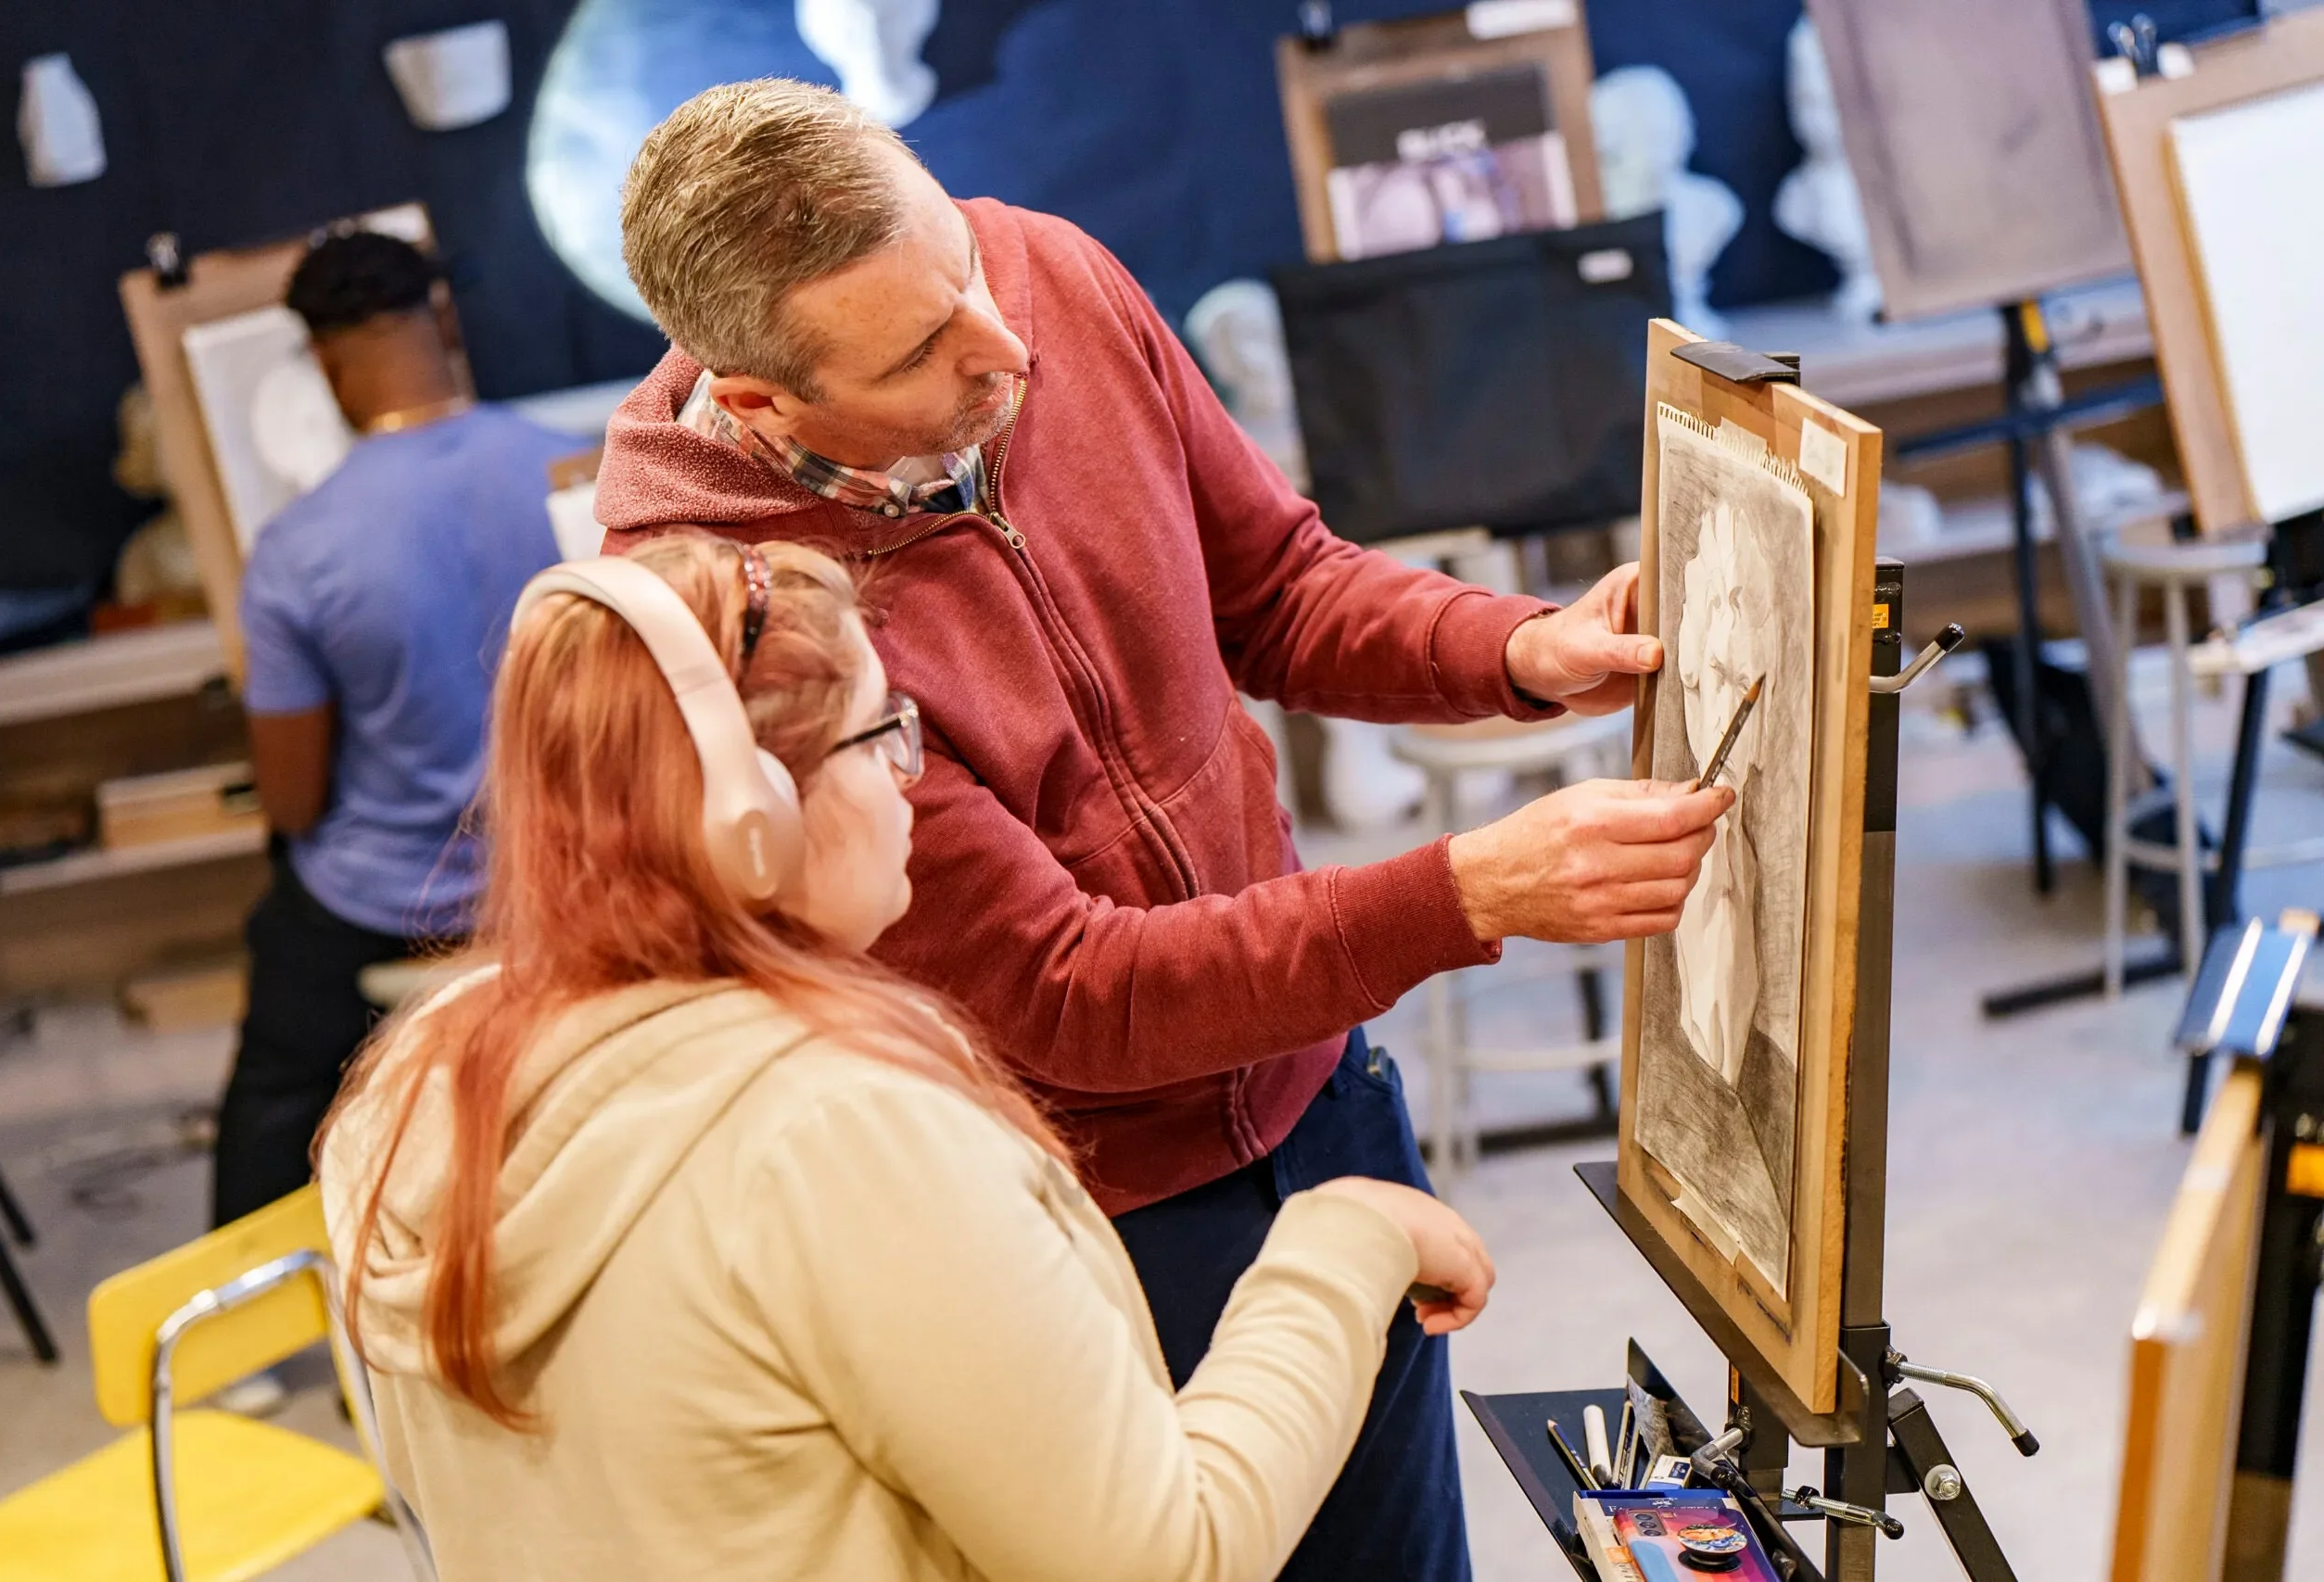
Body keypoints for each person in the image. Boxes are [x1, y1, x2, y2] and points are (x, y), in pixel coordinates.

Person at [597, 81, 1732, 1577]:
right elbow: (1075, 989)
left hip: (1318, 1089)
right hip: (1094, 1209)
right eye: (923, 351)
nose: (1005, 345)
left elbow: (1278, 587)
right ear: (762, 406)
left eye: (968, 271)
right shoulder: (738, 621)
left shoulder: (1047, 273)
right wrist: (1461, 894)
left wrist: (1516, 646)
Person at [318, 534, 1497, 1582]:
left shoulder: (422, 1077)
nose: (909, 780)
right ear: (754, 819)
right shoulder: (836, 1134)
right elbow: (1164, 1552)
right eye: (882, 733)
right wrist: (1343, 1240)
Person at [215, 229, 565, 1238]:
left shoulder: (298, 548)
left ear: (323, 364)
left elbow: (293, 799)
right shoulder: (576, 470)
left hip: (390, 901)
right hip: (565, 871)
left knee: (277, 1085)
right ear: (443, 318)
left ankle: (248, 1293)